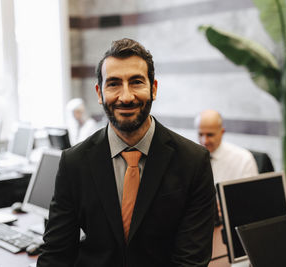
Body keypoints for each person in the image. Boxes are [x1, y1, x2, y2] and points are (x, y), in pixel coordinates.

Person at [37, 38, 216, 267]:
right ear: (99, 93)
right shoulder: (74, 163)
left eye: (136, 82)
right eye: (113, 84)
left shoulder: (193, 161)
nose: (126, 96)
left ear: (153, 88)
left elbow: (191, 261)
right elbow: (56, 255)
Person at [195, 109, 258, 183]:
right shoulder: (191, 157)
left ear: (222, 132)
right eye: (200, 134)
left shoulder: (244, 160)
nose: (204, 141)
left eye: (210, 135)